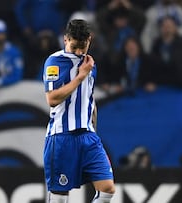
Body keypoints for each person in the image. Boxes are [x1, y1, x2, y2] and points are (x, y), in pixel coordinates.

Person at [42, 19, 115, 203]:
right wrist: (80, 76)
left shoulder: (90, 64)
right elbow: (52, 99)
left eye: (83, 46)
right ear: (66, 39)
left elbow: (89, 100)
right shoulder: (55, 62)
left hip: (88, 138)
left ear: (89, 40)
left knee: (107, 189)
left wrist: (94, 131)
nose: (79, 52)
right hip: (62, 137)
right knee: (60, 197)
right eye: (74, 46)